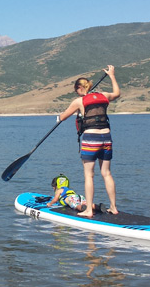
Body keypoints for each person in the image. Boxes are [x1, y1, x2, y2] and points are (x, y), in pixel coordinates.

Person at [58, 65, 120, 217]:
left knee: (89, 175)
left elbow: (63, 117)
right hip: (106, 138)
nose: (76, 93)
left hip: (91, 139)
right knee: (106, 173)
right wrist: (111, 75)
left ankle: (88, 210)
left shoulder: (79, 101)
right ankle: (113, 207)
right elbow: (117, 93)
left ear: (79, 88)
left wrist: (58, 117)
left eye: (76, 90)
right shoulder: (104, 95)